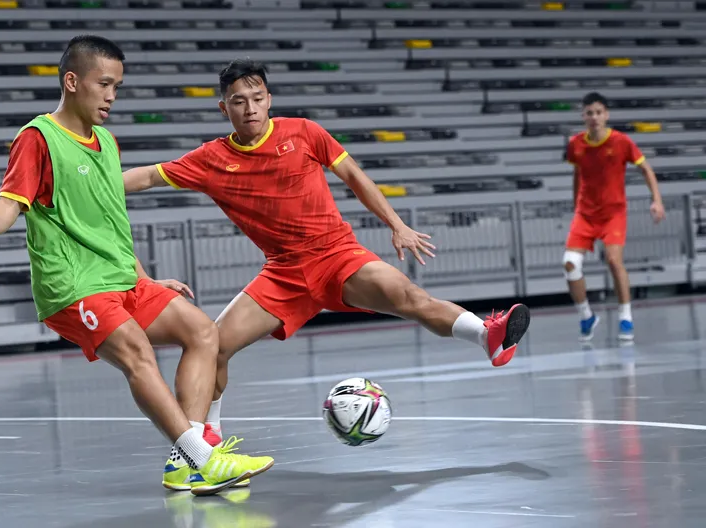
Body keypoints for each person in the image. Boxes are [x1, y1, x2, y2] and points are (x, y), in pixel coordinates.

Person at [123, 58, 531, 456]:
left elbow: (353, 175)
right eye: (238, 101)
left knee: (410, 298)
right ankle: (208, 434)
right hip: (282, 273)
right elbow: (146, 176)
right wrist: (88, 182)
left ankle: (488, 336)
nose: (250, 108)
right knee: (214, 345)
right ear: (223, 107)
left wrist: (397, 224)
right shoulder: (211, 159)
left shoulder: (304, 132)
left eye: (257, 97)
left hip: (338, 255)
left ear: (269, 99)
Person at [0, 36, 272, 496]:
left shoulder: (105, 141)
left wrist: (145, 279)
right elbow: (9, 205)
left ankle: (189, 458)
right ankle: (205, 459)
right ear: (72, 81)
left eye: (117, 87)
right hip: (74, 285)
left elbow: (110, 221)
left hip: (121, 278)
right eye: (104, 84)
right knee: (137, 353)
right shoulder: (37, 138)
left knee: (204, 333)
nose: (111, 97)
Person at [563, 92, 665, 342]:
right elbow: (577, 173)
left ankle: (625, 316)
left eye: (599, 112)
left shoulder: (621, 141)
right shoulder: (575, 144)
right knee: (570, 264)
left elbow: (646, 169)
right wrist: (576, 202)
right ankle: (586, 316)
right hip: (585, 213)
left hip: (613, 213)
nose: (594, 117)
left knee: (612, 260)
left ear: (606, 115)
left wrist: (657, 200)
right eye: (589, 113)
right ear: (583, 116)